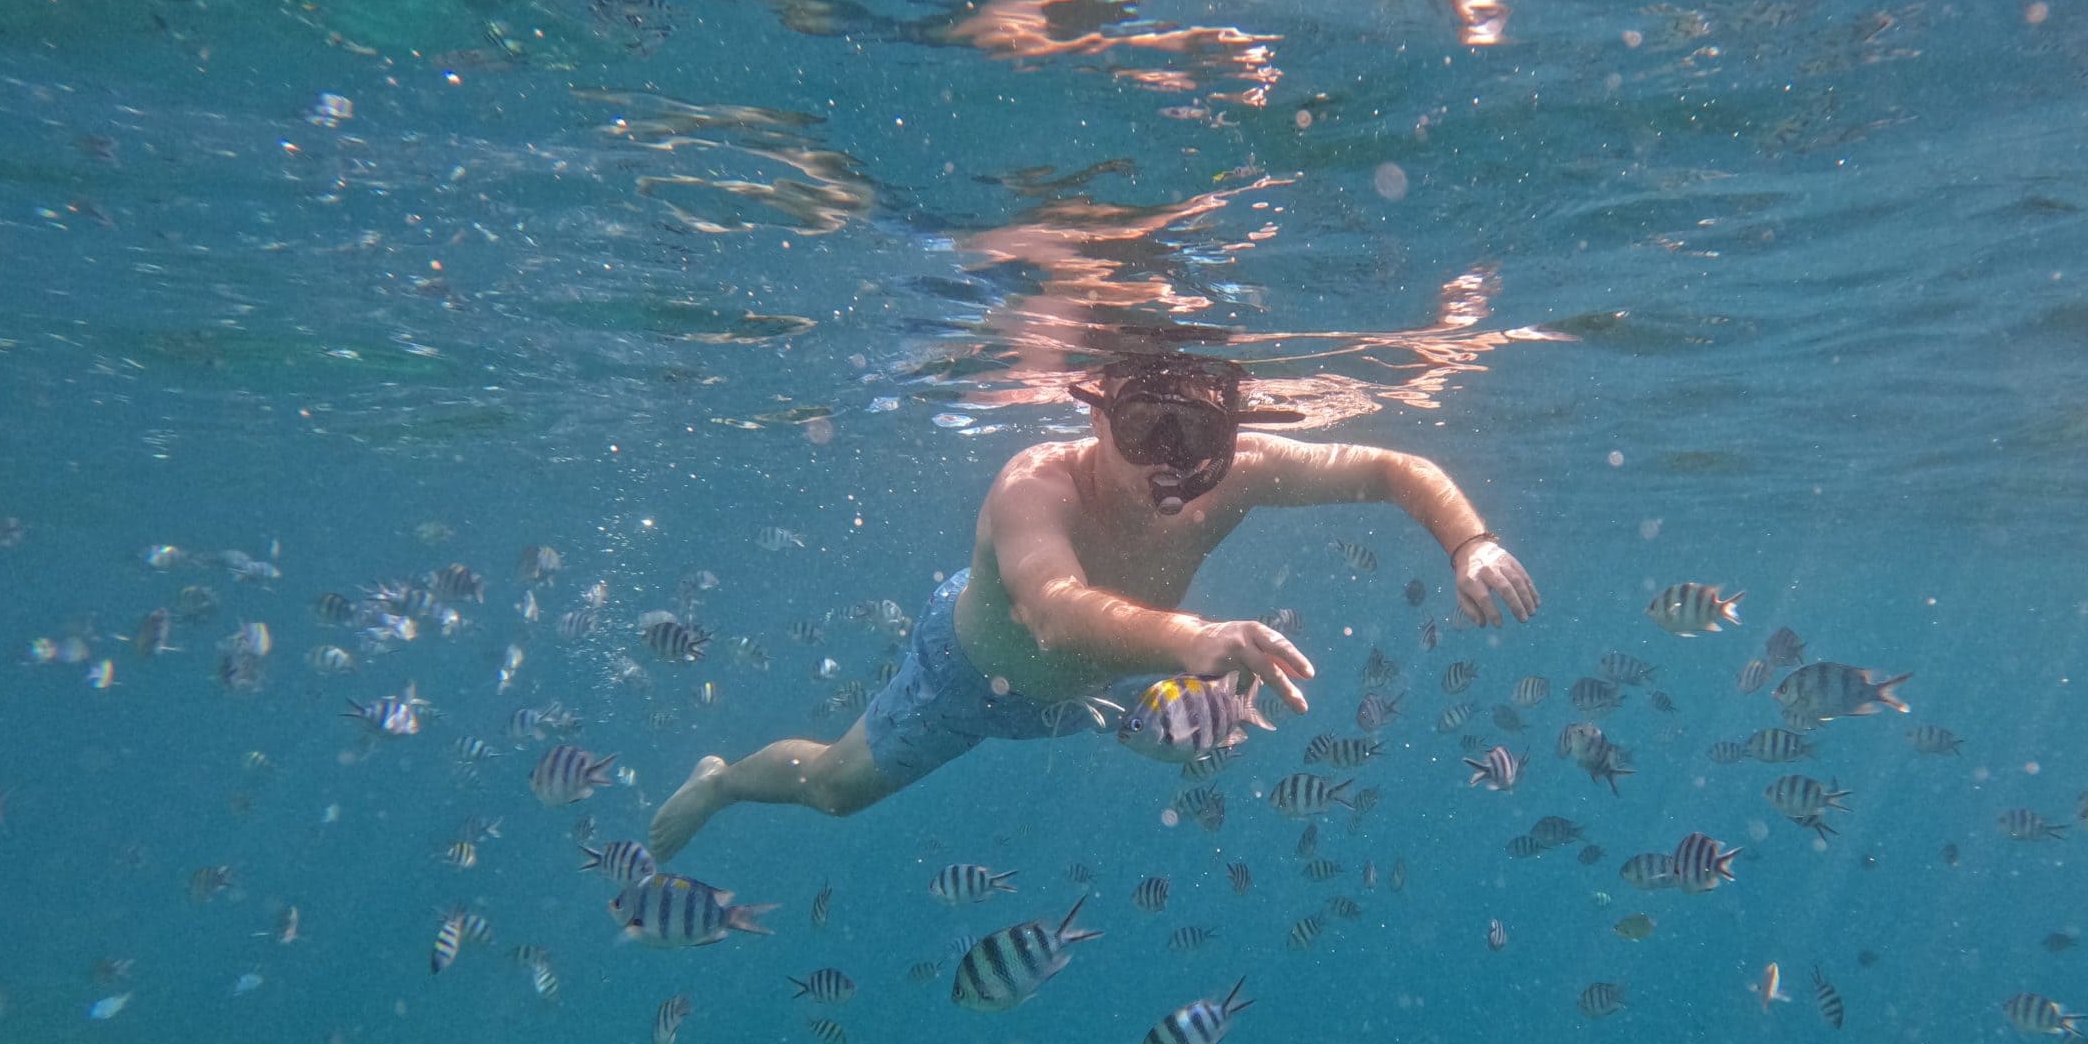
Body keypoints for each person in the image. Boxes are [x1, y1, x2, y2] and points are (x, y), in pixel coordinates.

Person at [648, 355, 1539, 857]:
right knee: (838, 791)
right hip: (972, 676)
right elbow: (1051, 610)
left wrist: (1470, 541)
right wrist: (1193, 637)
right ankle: (722, 781)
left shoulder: (1247, 472)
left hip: (1104, 692)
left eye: (1195, 434)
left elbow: (1390, 469)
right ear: (1096, 418)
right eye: (1143, 427)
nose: (1168, 460)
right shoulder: (1037, 486)